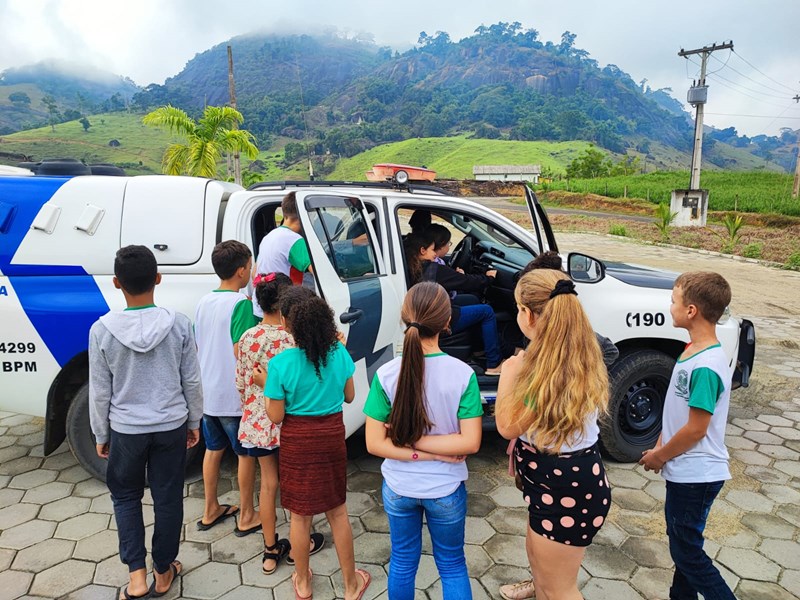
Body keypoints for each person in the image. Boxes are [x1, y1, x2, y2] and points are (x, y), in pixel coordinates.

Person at [499, 251, 619, 600]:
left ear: (529, 315)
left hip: (565, 488)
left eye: (519, 308)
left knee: (559, 589)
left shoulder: (542, 370)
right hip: (555, 484)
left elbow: (507, 425)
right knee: (542, 573)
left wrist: (509, 373)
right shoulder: (574, 351)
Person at [89, 245, 202, 600]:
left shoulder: (102, 330)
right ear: (158, 278)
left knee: (125, 497)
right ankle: (164, 569)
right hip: (170, 424)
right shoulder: (179, 323)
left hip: (126, 429)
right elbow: (192, 381)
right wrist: (195, 420)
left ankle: (137, 578)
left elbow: (99, 391)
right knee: (168, 497)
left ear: (116, 283)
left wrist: (100, 432)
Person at [364, 281, 483, 599]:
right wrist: (439, 454)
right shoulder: (462, 375)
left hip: (399, 488)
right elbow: (470, 442)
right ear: (447, 323)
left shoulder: (386, 374)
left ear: (405, 319)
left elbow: (375, 444)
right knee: (453, 565)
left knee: (402, 562)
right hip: (445, 490)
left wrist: (411, 442)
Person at [258, 286, 371, 600]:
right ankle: (351, 584)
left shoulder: (281, 364)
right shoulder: (338, 354)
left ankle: (303, 582)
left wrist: (266, 386)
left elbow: (276, 416)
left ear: (287, 324)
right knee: (338, 512)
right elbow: (349, 396)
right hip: (331, 436)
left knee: (300, 516)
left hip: (297, 441)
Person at [639, 271, 736, 600]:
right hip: (687, 470)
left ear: (691, 310)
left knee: (689, 555)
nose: (670, 306)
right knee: (685, 549)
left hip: (697, 474)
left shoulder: (706, 364)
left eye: (673, 300)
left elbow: (697, 428)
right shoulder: (692, 349)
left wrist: (659, 455)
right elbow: (678, 411)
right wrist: (660, 441)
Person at [194, 240, 261, 536]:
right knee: (245, 455)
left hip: (208, 393)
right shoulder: (241, 304)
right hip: (233, 395)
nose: (250, 271)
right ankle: (246, 514)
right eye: (249, 266)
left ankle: (211, 509)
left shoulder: (204, 301)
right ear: (240, 271)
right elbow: (241, 350)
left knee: (213, 449)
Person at [234, 272, 294, 575]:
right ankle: (300, 543)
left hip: (258, 422)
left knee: (268, 485)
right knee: (294, 484)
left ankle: (270, 550)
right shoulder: (292, 339)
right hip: (289, 421)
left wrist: (251, 403)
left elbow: (242, 383)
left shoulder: (246, 338)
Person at [405, 231, 504, 375]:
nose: (435, 254)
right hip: (437, 318)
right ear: (422, 250)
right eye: (433, 250)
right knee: (486, 311)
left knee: (473, 300)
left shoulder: (410, 266)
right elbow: (467, 282)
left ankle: (478, 350)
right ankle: (494, 364)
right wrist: (489, 278)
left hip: (423, 312)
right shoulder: (434, 269)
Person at [253, 192, 313, 317]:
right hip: (282, 310)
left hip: (260, 307)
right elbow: (319, 273)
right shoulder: (295, 240)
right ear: (303, 215)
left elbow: (255, 272)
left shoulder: (268, 237)